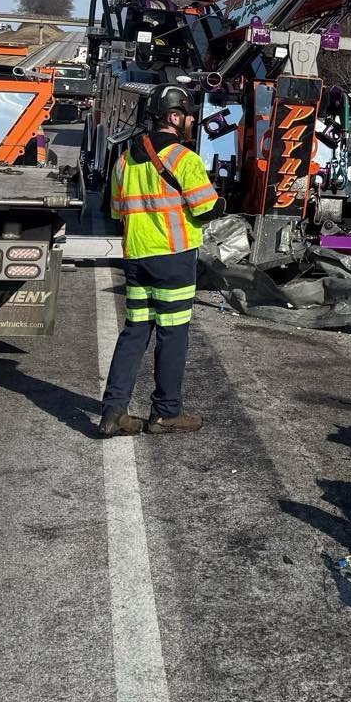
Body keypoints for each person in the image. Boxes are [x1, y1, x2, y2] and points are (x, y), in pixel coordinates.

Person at [98, 83, 218, 437]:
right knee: (173, 334)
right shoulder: (185, 159)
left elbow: (118, 210)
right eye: (189, 115)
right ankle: (166, 412)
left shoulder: (124, 160)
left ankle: (113, 412)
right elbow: (207, 207)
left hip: (136, 258)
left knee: (135, 333)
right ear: (174, 117)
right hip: (173, 258)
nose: (193, 121)